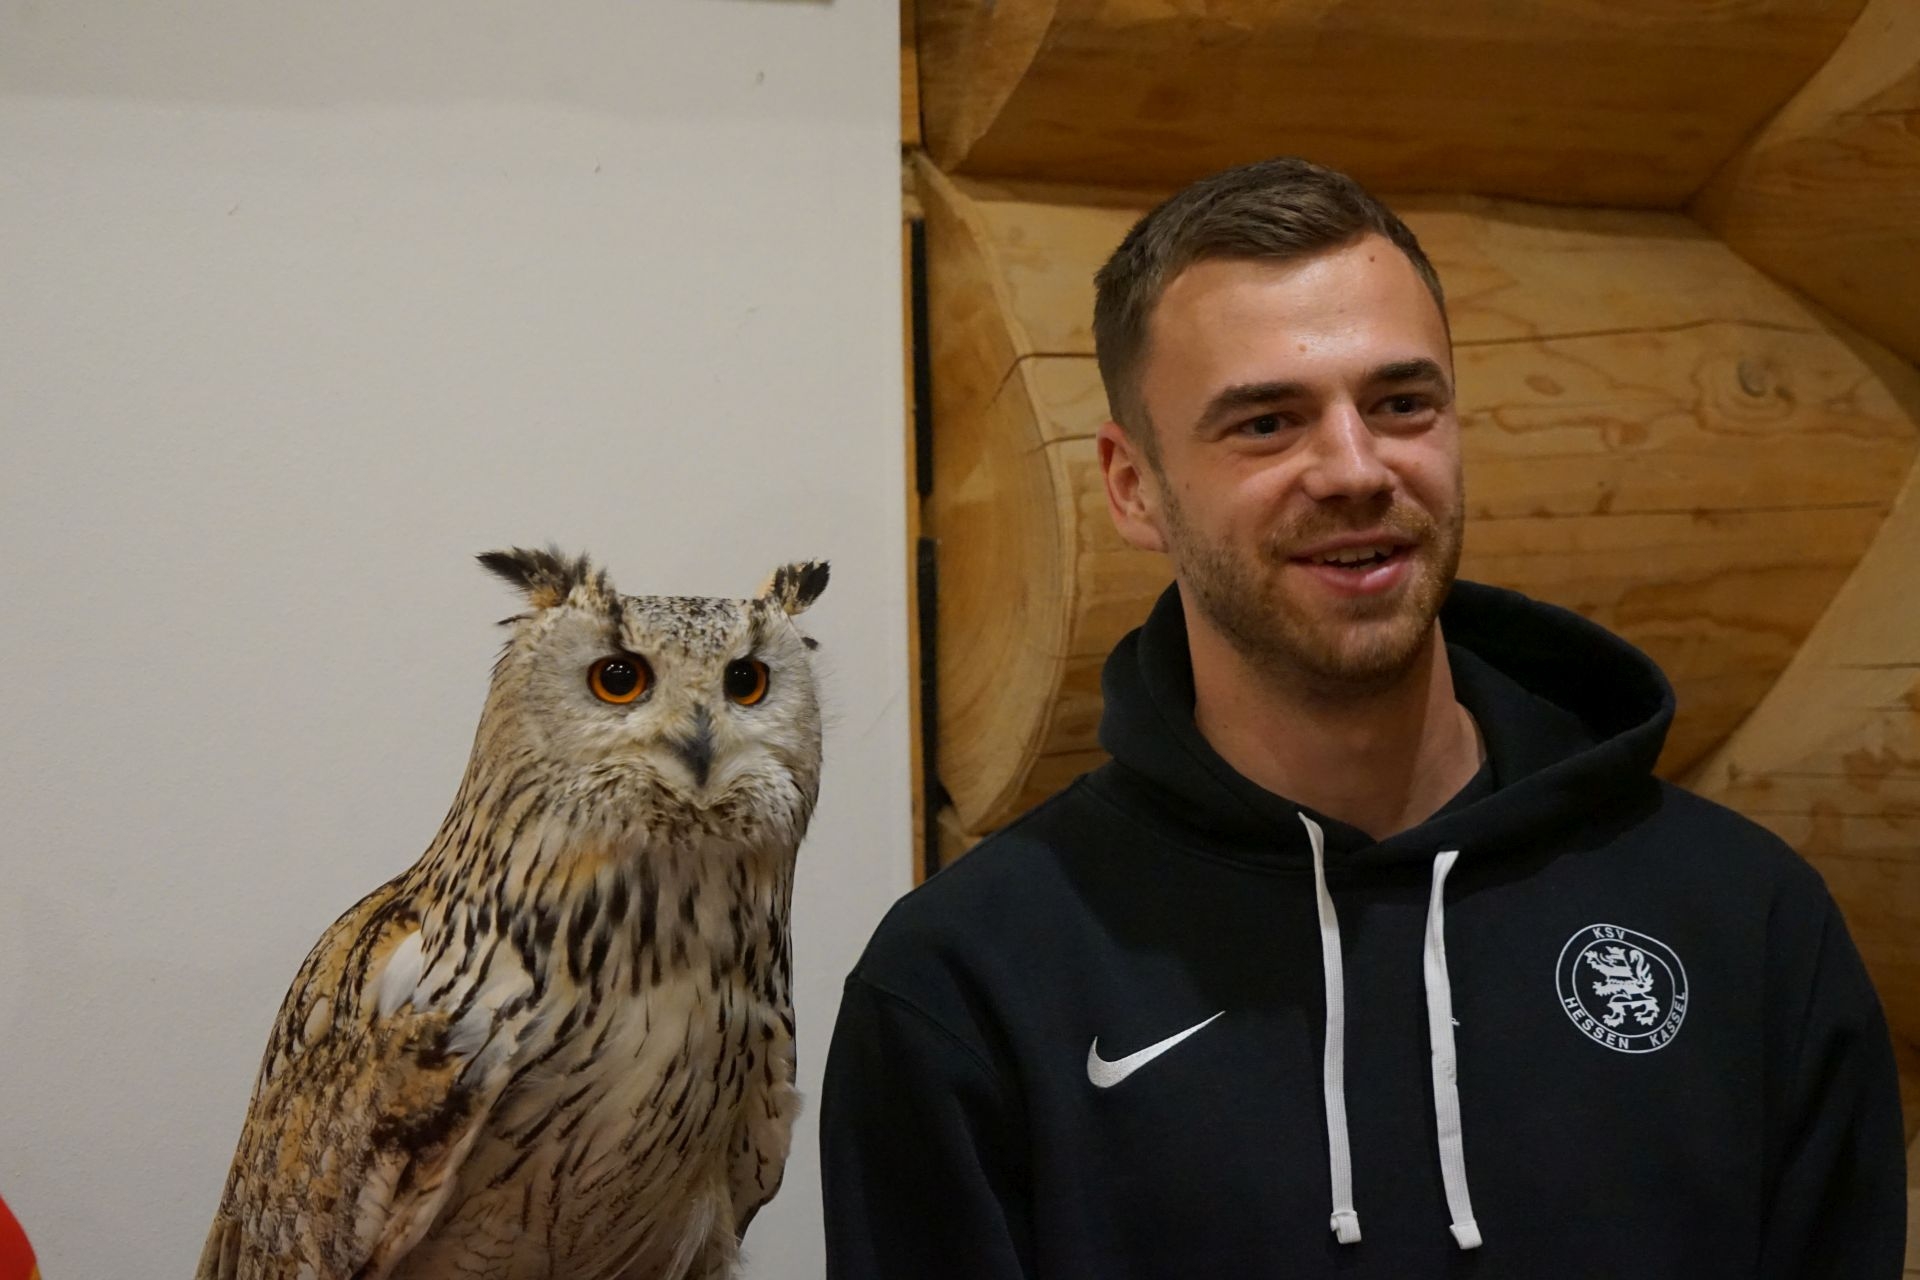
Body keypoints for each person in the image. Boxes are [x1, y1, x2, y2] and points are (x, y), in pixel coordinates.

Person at [819, 157, 1907, 1277]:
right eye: (1266, 422)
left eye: (1400, 404)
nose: (1353, 468)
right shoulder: (970, 985)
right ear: (1132, 486)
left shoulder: (1743, 921)